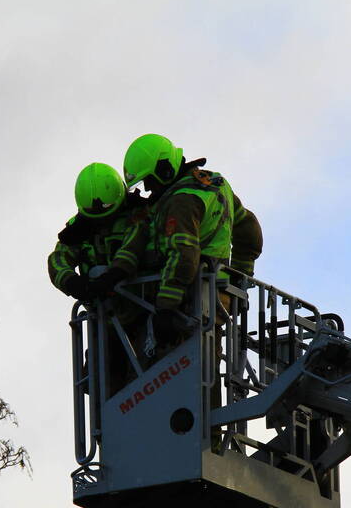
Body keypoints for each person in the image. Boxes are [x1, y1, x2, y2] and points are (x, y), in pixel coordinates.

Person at [122, 133, 263, 344]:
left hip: (184, 308)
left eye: (149, 180)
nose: (149, 189)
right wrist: (239, 281)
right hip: (214, 301)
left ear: (165, 169)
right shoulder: (215, 185)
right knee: (208, 367)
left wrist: (166, 308)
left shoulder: (181, 201)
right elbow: (249, 230)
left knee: (172, 371)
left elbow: (184, 253)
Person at [48, 162, 150, 395]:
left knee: (146, 384)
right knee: (99, 386)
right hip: (104, 322)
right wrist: (73, 283)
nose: (103, 222)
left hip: (144, 314)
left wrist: (113, 276)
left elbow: (133, 247)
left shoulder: (139, 214)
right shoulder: (79, 229)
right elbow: (57, 260)